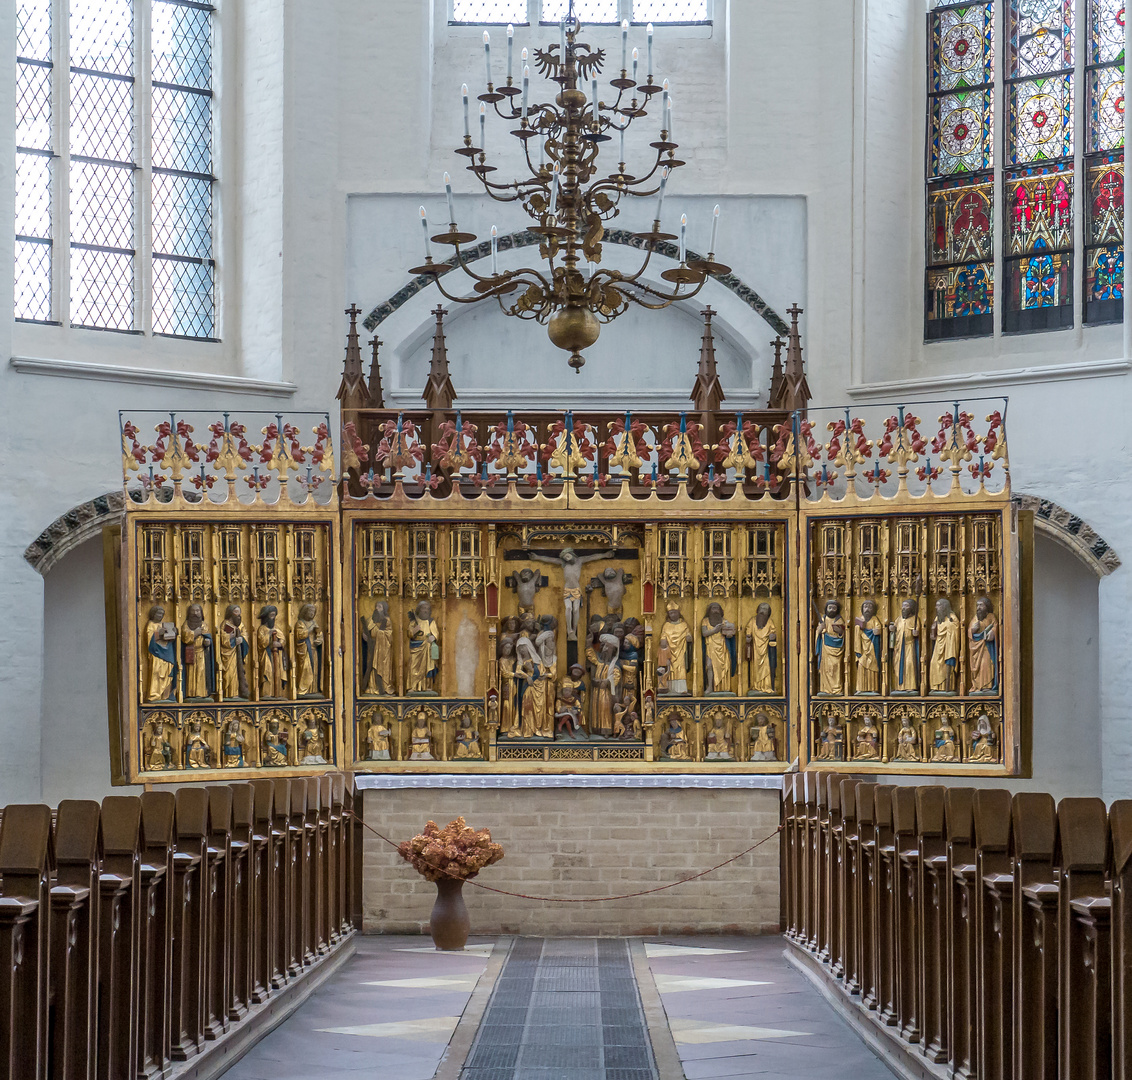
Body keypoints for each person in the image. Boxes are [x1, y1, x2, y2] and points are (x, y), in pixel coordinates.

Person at [522, 546, 615, 639]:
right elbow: (550, 559)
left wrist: (605, 555)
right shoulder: (563, 563)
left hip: (576, 589)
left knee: (575, 610)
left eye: (567, 556)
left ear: (572, 554)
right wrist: (537, 557)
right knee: (569, 609)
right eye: (565, 557)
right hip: (567, 590)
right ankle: (569, 629)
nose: (566, 558)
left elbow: (592, 557)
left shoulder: (579, 561)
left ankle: (574, 630)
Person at [701, 602, 737, 694]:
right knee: (709, 666)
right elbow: (704, 633)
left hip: (723, 647)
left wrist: (729, 634)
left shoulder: (724, 621)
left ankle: (724, 687)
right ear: (709, 611)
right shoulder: (705, 621)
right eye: (713, 608)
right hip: (711, 647)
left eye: (717, 608)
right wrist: (715, 630)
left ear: (720, 611)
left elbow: (730, 632)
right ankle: (710, 686)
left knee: (724, 667)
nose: (715, 610)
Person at [181, 604, 214, 701]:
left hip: (201, 653)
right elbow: (185, 637)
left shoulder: (204, 624)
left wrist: (207, 642)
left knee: (201, 672)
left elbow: (207, 636)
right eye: (193, 611)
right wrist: (195, 633)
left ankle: (201, 693)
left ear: (201, 613)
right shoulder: (186, 624)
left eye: (197, 611)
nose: (195, 613)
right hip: (190, 652)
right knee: (191, 673)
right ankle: (191, 694)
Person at [143, 605, 177, 702]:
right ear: (153, 614)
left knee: (168, 672)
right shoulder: (151, 624)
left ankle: (165, 695)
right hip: (156, 653)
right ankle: (154, 695)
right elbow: (149, 639)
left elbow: (169, 639)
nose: (160, 616)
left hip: (167, 652)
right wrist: (158, 633)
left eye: (162, 614)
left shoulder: (163, 624)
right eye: (158, 613)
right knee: (156, 672)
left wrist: (174, 633)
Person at [658, 604, 692, 695]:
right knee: (669, 669)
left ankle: (681, 689)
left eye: (674, 612)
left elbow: (688, 635)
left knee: (680, 667)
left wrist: (689, 638)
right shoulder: (666, 625)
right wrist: (663, 640)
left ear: (678, 613)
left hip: (681, 650)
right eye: (670, 613)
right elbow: (663, 636)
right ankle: (669, 689)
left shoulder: (684, 624)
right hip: (669, 651)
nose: (672, 615)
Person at [406, 600, 440, 694]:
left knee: (427, 667)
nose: (425, 611)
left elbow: (436, 633)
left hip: (427, 647)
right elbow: (409, 633)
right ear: (419, 610)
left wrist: (433, 637)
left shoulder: (431, 622)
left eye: (427, 609)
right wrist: (414, 631)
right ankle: (413, 686)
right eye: (423, 608)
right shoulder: (414, 621)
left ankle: (427, 686)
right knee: (414, 667)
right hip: (416, 647)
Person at [361, 600, 394, 695]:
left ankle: (384, 687)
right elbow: (365, 631)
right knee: (372, 666)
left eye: (379, 607)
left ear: (384, 609)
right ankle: (373, 686)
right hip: (372, 647)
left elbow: (389, 634)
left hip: (384, 649)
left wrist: (379, 634)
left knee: (383, 666)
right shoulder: (370, 620)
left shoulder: (386, 620)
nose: (377, 608)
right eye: (376, 606)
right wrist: (364, 635)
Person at [888, 598, 921, 693]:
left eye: (906, 606)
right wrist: (892, 629)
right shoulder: (898, 619)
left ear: (912, 608)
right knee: (897, 666)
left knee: (910, 665)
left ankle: (911, 686)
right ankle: (899, 687)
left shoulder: (915, 619)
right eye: (903, 606)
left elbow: (918, 632)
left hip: (909, 646)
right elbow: (893, 633)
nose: (904, 608)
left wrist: (916, 633)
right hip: (898, 647)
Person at [930, 598, 961, 693]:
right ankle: (936, 687)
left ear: (945, 607)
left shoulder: (952, 618)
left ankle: (948, 688)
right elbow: (934, 634)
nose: (937, 607)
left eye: (939, 605)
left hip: (948, 646)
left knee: (947, 666)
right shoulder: (938, 618)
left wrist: (949, 627)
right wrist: (933, 631)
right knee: (934, 663)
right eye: (936, 605)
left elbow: (955, 629)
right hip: (938, 646)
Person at [745, 602, 777, 695]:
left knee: (766, 668)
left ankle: (766, 686)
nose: (762, 612)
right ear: (757, 611)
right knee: (755, 669)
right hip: (755, 649)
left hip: (766, 649)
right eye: (761, 609)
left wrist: (772, 636)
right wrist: (748, 637)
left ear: (768, 613)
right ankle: (756, 686)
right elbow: (748, 632)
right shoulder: (752, 621)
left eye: (765, 610)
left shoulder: (770, 622)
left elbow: (773, 632)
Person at [217, 605, 249, 699]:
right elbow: (222, 637)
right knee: (229, 673)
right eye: (236, 612)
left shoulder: (241, 624)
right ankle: (228, 693)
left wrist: (242, 639)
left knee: (237, 673)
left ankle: (236, 693)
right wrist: (232, 638)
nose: (238, 615)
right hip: (228, 653)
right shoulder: (225, 623)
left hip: (238, 652)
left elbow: (245, 635)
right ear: (231, 613)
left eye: (239, 612)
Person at [257, 606, 288, 699]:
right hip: (266, 655)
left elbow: (283, 639)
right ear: (266, 616)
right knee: (268, 672)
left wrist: (279, 644)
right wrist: (269, 635)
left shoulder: (277, 628)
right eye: (271, 615)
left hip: (277, 655)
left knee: (277, 673)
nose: (273, 618)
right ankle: (266, 693)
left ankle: (277, 693)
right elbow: (261, 642)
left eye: (274, 616)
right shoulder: (262, 629)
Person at [968, 597, 998, 694]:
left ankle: (987, 686)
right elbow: (969, 632)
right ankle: (977, 686)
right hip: (976, 647)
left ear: (986, 606)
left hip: (987, 647)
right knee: (978, 666)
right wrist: (972, 630)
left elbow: (996, 626)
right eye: (977, 605)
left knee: (986, 664)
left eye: (981, 605)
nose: (978, 608)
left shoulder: (991, 617)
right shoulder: (975, 618)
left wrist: (993, 632)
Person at [814, 600, 845, 695]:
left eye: (834, 608)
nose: (832, 610)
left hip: (836, 648)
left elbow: (843, 635)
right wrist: (819, 629)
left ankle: (837, 689)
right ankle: (825, 689)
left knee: (835, 668)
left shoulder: (839, 620)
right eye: (830, 608)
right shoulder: (823, 619)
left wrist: (840, 632)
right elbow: (818, 633)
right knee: (826, 668)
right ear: (826, 609)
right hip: (825, 648)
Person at [294, 604, 324, 697]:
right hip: (305, 650)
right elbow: (300, 635)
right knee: (306, 668)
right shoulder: (300, 623)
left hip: (314, 650)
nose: (311, 613)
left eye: (313, 612)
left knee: (314, 669)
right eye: (309, 611)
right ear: (305, 612)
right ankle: (303, 690)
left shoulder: (315, 623)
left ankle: (313, 689)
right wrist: (311, 629)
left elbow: (319, 634)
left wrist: (319, 639)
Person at [854, 599, 882, 694]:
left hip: (872, 648)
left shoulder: (874, 619)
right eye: (865, 607)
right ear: (862, 609)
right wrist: (859, 628)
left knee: (873, 667)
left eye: (870, 607)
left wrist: (877, 631)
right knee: (861, 668)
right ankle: (860, 689)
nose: (867, 609)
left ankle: (873, 688)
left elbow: (879, 629)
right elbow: (857, 633)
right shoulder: (860, 620)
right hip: (862, 649)